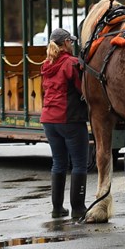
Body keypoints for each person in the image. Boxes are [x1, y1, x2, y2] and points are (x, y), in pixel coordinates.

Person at [40, 27, 88, 220]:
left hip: (48, 120)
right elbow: (81, 88)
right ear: (66, 43)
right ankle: (78, 208)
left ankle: (57, 209)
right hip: (69, 119)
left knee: (58, 163)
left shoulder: (46, 64)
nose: (73, 45)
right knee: (79, 164)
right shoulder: (71, 63)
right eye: (72, 42)